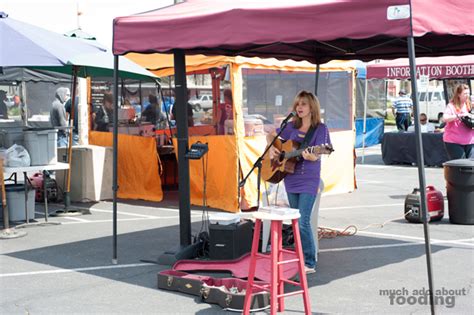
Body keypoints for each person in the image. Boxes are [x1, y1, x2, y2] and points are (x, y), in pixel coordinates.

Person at [267, 90, 331, 274]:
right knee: (295, 220)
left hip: (309, 179)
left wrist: (312, 156)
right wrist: (273, 150)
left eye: (303, 104)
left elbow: (323, 150)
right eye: (297, 104)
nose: (299, 107)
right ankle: (299, 257)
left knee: (303, 221)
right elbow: (271, 135)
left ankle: (309, 262)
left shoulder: (320, 129)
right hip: (291, 177)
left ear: (312, 107)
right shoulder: (291, 127)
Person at [442, 84, 474, 159]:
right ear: (459, 94)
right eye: (465, 93)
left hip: (470, 141)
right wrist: (458, 115)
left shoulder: (470, 105)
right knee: (461, 166)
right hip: (454, 141)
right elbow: (445, 118)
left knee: (471, 166)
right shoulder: (451, 106)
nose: (467, 95)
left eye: (468, 93)